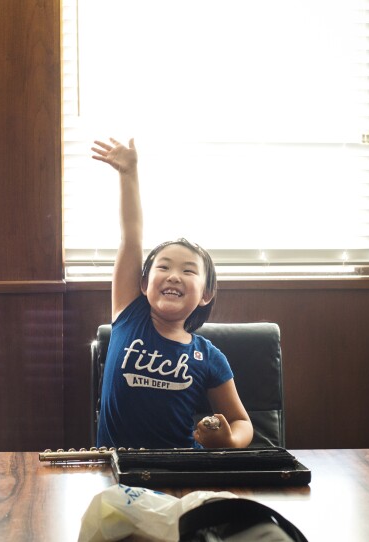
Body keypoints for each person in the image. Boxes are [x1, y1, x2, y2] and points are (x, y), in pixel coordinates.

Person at [91, 137, 253, 450]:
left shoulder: (209, 357)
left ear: (206, 294)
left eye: (189, 271)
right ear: (143, 284)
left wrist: (229, 439)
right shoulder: (129, 315)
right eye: (163, 267)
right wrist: (128, 173)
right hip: (117, 472)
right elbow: (131, 237)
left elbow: (242, 422)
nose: (174, 276)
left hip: (181, 473)